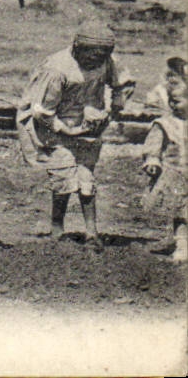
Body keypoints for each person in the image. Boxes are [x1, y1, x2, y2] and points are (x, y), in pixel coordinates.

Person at [16, 26, 135, 250]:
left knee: (86, 177)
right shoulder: (57, 69)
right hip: (57, 128)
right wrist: (66, 130)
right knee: (63, 177)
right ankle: (57, 228)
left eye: (100, 55)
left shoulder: (107, 62)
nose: (94, 59)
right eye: (90, 54)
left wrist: (114, 107)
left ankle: (91, 232)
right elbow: (42, 110)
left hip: (90, 127)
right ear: (77, 47)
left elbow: (123, 83)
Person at [141, 57, 186, 263]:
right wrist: (152, 161)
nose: (173, 105)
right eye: (171, 102)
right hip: (177, 175)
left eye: (178, 101)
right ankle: (182, 244)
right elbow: (154, 145)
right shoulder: (165, 123)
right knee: (181, 212)